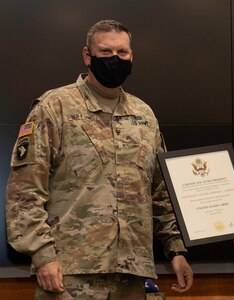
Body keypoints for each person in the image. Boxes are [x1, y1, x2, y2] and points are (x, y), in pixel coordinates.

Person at [6, 19, 193, 299]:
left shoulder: (144, 115)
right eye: (105, 52)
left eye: (122, 53)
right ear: (87, 55)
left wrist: (175, 250)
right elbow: (24, 191)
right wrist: (42, 254)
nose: (114, 59)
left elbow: (159, 192)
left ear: (132, 56)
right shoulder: (54, 107)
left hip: (131, 273)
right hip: (69, 274)